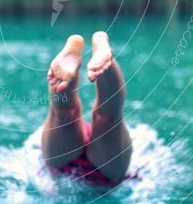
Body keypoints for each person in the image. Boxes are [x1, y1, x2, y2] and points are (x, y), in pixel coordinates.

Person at [41, 31, 133, 185]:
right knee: (109, 119)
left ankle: (82, 59)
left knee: (63, 114)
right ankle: (107, 61)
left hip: (61, 168)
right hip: (107, 178)